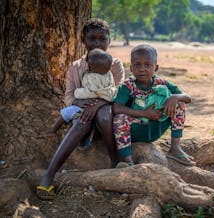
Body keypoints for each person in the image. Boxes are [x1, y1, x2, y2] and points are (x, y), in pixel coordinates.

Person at [36, 18, 125, 200]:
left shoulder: (114, 65)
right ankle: (49, 175)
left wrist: (98, 104)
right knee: (82, 120)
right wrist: (80, 104)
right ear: (84, 40)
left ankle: (115, 160)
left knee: (103, 114)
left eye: (102, 39)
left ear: (109, 40)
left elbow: (119, 94)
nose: (97, 43)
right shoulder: (76, 67)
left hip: (107, 117)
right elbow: (69, 96)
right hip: (83, 113)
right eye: (92, 38)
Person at [113, 44, 195, 167]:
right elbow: (116, 108)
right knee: (119, 118)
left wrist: (175, 97)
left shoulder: (161, 83)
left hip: (157, 126)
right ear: (131, 68)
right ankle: (127, 160)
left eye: (147, 65)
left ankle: (175, 148)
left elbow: (187, 97)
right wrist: (144, 113)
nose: (142, 69)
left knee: (180, 104)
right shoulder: (127, 85)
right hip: (136, 129)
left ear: (155, 68)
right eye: (137, 65)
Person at [38, 48, 117, 141]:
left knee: (66, 113)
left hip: (88, 104)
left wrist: (77, 93)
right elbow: (113, 90)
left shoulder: (92, 78)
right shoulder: (109, 75)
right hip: (105, 105)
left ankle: (53, 130)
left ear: (90, 68)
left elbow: (89, 92)